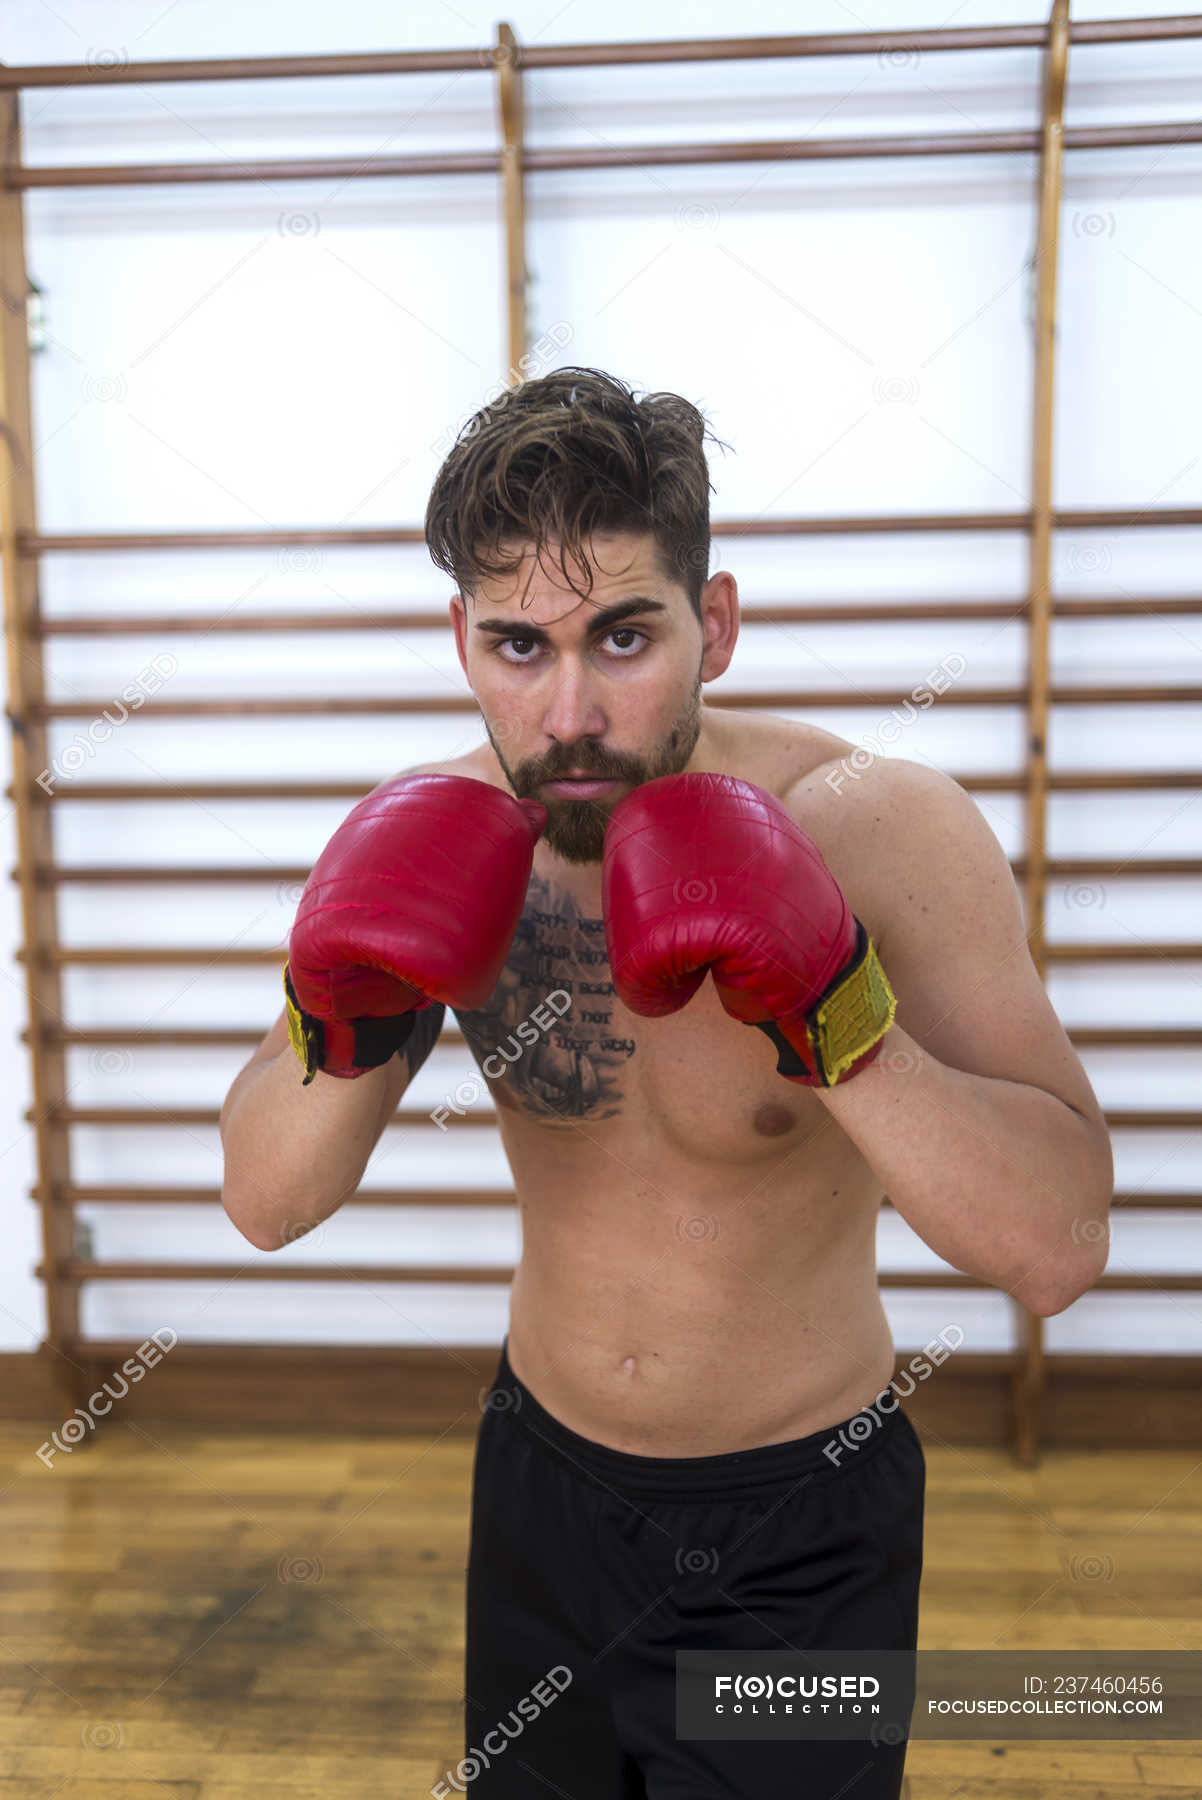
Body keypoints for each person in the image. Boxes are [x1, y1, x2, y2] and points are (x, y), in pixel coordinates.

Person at [220, 366, 1113, 1798]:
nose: (569, 709)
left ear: (720, 624)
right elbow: (266, 1202)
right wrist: (342, 1013)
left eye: (623, 635)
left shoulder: (874, 830)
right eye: (518, 645)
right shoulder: (432, 847)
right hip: (540, 1491)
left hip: (800, 1525)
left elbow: (1057, 1248)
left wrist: (840, 1015)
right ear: (460, 640)